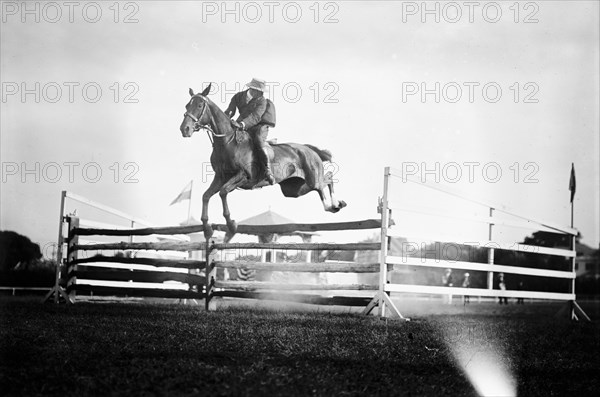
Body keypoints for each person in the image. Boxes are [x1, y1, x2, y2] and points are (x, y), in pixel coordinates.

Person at [225, 78, 277, 185]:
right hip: (241, 125)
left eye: (262, 92)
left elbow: (255, 117)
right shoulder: (238, 96)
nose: (262, 94)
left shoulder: (262, 101)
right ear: (252, 89)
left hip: (259, 127)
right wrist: (225, 120)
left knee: (257, 140)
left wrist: (242, 124)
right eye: (259, 91)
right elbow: (230, 111)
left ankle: (268, 171)